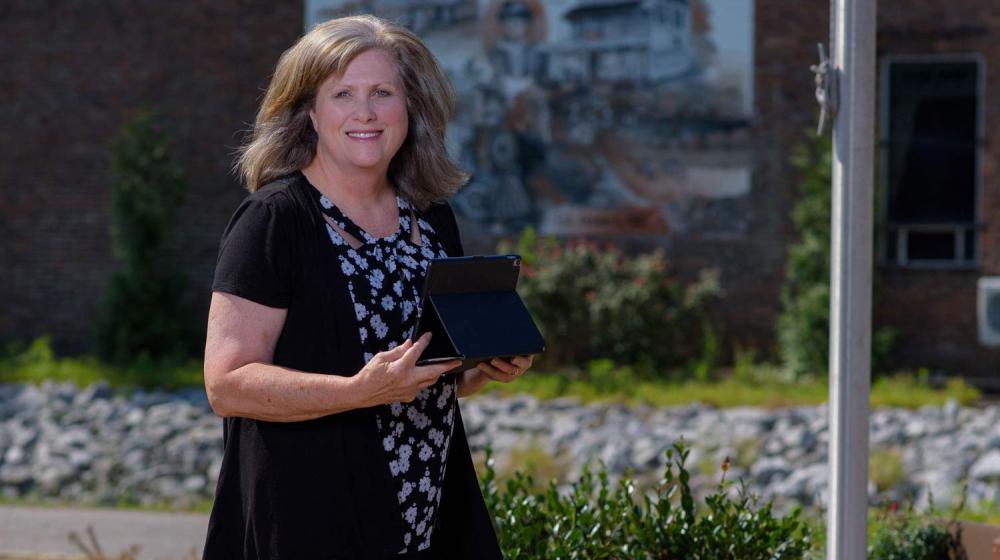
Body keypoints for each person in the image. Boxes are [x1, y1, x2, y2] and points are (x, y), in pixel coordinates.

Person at [202, 15, 534, 559]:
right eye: (343, 94)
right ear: (310, 111)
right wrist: (358, 391)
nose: (365, 112)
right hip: (309, 515)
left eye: (383, 92)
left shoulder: (430, 219)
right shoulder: (274, 221)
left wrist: (480, 369)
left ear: (411, 107)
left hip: (427, 511)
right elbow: (227, 384)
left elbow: (424, 374)